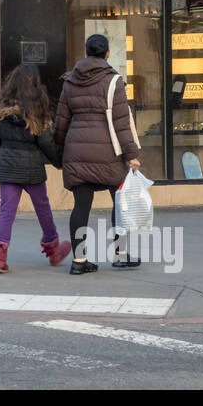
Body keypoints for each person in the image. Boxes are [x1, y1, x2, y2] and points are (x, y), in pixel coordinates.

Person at [55, 34, 143, 275]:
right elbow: (122, 122)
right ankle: (121, 255)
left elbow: (61, 121)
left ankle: (79, 261)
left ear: (85, 54)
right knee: (119, 202)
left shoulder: (69, 81)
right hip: (108, 152)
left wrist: (60, 150)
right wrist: (131, 154)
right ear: (107, 54)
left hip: (76, 150)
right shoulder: (114, 81)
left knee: (81, 206)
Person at [0, 65, 71, 273]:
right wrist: (60, 162)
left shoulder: (0, 113)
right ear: (35, 86)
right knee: (43, 208)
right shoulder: (36, 113)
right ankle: (54, 249)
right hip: (31, 169)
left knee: (7, 211)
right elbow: (47, 144)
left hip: (6, 168)